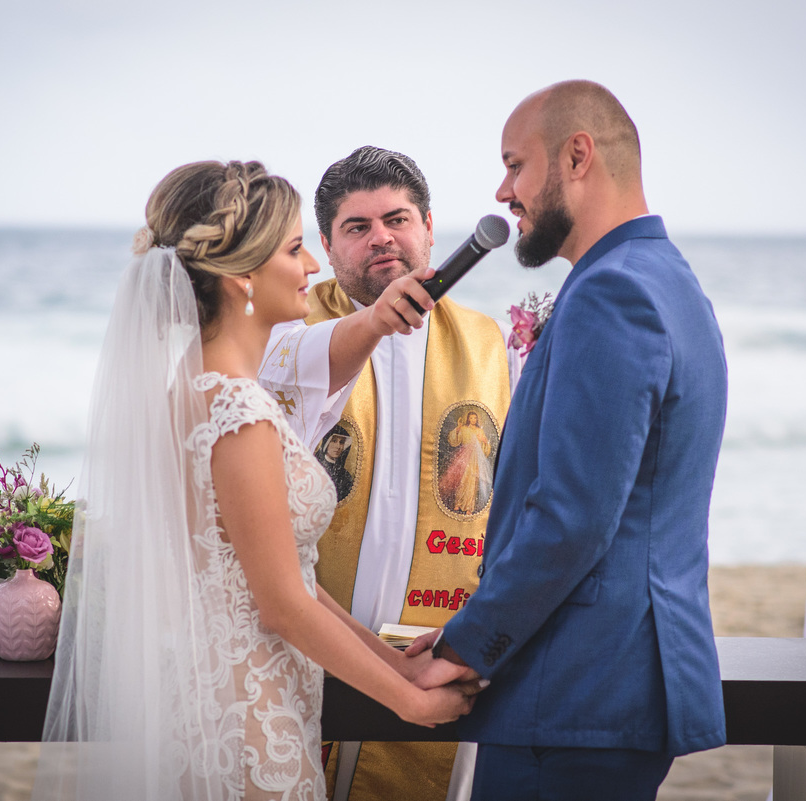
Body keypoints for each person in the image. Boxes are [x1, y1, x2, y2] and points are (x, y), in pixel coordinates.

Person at [33, 160, 475, 801]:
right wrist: (409, 703)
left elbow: (285, 574)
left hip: (220, 700)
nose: (312, 266)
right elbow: (284, 604)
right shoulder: (236, 409)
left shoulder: (192, 389)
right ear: (243, 275)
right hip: (248, 719)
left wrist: (399, 664)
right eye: (295, 250)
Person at [410, 80, 729, 800]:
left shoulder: (611, 292)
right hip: (620, 688)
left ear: (577, 156)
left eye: (515, 165)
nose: (503, 192)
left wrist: (468, 642)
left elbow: (572, 515)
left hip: (574, 695)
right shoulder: (672, 281)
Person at [258, 146, 522, 801]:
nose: (381, 237)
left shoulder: (494, 345)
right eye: (357, 226)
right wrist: (376, 319)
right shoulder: (285, 333)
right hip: (308, 644)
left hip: (441, 647)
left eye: (397, 219)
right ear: (326, 245)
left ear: (429, 227)